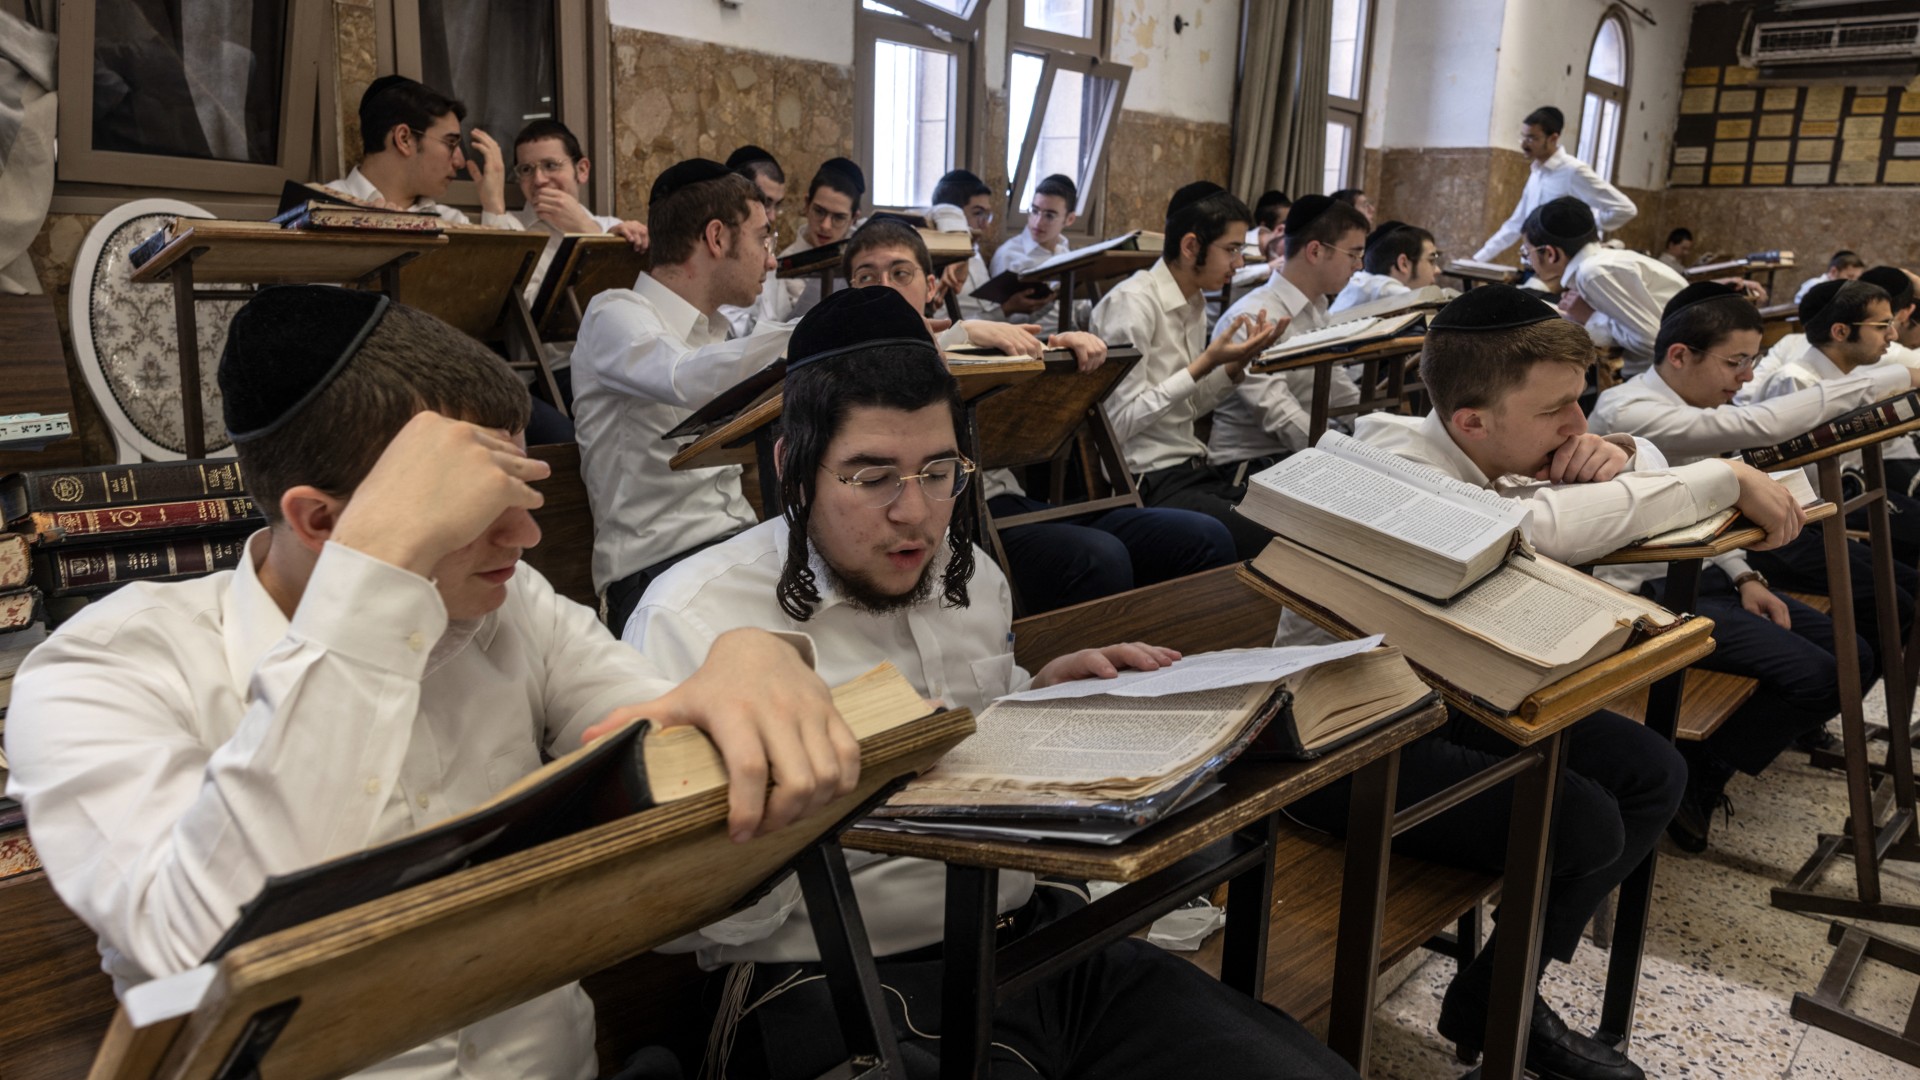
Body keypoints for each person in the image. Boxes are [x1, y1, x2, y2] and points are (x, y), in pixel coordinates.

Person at [3, 285, 852, 1080]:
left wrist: (741, 660)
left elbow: (660, 753)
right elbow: (215, 943)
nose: (526, 536)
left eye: (524, 489)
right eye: (477, 510)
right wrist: (374, 578)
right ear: (324, 522)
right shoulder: (103, 668)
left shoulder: (510, 605)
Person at [620, 284, 1360, 1080]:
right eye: (872, 478)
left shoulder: (966, 575)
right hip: (840, 979)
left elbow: (977, 719)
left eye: (939, 471)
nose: (917, 514)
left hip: (1044, 940)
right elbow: (670, 915)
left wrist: (1035, 693)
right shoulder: (693, 618)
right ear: (793, 468)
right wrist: (814, 805)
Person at [1283, 285, 1803, 1080]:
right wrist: (1725, 475)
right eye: (1559, 410)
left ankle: (1499, 993)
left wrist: (1626, 454)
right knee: (1581, 822)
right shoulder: (1390, 460)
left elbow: (1617, 490)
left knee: (1653, 772)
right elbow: (1536, 529)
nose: (1577, 426)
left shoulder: (1493, 450)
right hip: (1343, 733)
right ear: (1472, 423)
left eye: (1583, 403)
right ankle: (1505, 1005)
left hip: (1447, 695)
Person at [1588, 283, 1899, 848]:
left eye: (1752, 361)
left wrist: (1747, 576)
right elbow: (1755, 431)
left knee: (1855, 654)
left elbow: (1708, 515)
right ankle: (1701, 774)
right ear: (1680, 356)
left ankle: (1710, 763)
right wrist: (1896, 380)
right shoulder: (1630, 410)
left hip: (1706, 574)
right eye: (1736, 362)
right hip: (1649, 592)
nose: (1747, 378)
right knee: (1821, 674)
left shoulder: (1703, 404)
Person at [843, 216, 1235, 612]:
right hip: (956, 518)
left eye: (900, 273)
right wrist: (961, 331)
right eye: (866, 277)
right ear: (849, 292)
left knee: (1202, 536)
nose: (885, 289)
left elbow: (1034, 388)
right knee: (1099, 557)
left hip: (1007, 500)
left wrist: (1065, 350)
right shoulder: (850, 361)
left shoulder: (970, 347)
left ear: (930, 287)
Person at [572, 159, 788, 637]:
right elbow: (681, 376)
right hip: (654, 576)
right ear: (717, 238)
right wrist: (817, 331)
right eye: (763, 238)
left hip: (737, 551)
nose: (772, 260)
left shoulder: (721, 333)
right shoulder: (614, 313)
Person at [1089, 181, 1284, 558]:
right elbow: (1116, 426)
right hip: (1146, 480)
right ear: (1191, 245)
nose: (1239, 263)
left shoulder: (1194, 302)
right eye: (1231, 250)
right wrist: (1203, 365)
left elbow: (1189, 406)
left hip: (1193, 468)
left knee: (1294, 507)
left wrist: (1234, 366)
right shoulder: (1132, 304)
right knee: (1266, 536)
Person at [1745, 278, 1920, 570]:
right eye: (1881, 326)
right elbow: (1797, 476)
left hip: (1832, 502)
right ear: (1840, 331)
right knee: (1899, 588)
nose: (1892, 334)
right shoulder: (1795, 380)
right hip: (1793, 526)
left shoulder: (1848, 377)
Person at [1206, 195, 1370, 470]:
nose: (1359, 266)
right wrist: (1347, 456)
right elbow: (1279, 414)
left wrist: (1376, 432)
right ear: (1315, 251)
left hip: (1300, 455)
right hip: (1249, 468)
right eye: (1353, 255)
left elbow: (1336, 387)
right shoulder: (1253, 316)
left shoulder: (1315, 307)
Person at [502, 118, 649, 416]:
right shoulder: (513, 232)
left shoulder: (611, 229)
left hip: (627, 359)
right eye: (527, 170)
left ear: (581, 169)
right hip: (556, 371)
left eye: (551, 165)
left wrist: (586, 230)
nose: (540, 180)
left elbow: (647, 302)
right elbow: (530, 316)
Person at [1522, 196, 1685, 377]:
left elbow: (1654, 342)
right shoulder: (1602, 263)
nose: (1528, 260)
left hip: (1673, 373)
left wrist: (1590, 317)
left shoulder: (1593, 273)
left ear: (1551, 253)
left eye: (1527, 252)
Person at [328, 75, 518, 228]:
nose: (460, 162)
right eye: (450, 143)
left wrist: (494, 205)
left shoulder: (452, 223)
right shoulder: (322, 209)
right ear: (404, 139)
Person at [1472, 105, 1637, 263]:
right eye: (1523, 136)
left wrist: (1584, 229)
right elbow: (1517, 223)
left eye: (1532, 138)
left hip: (1562, 269)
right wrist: (1478, 259)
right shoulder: (1536, 173)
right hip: (1533, 263)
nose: (1524, 144)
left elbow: (1625, 208)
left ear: (1553, 138)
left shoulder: (1573, 171)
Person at [771, 157, 867, 322]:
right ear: (807, 204)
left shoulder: (865, 253)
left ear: (854, 218)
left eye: (838, 217)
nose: (826, 225)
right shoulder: (784, 268)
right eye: (819, 211)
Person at [987, 173, 1080, 325]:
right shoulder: (1009, 255)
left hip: (1071, 337)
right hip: (1029, 341)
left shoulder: (1065, 252)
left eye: (1049, 216)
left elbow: (1077, 310)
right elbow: (998, 319)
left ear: (1069, 219)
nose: (1037, 222)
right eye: (1035, 211)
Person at [720, 144, 790, 336]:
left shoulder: (769, 252)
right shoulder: (718, 251)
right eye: (766, 203)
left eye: (777, 205)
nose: (773, 216)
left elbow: (781, 317)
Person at [1331, 219, 1441, 312]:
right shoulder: (1383, 288)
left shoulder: (1366, 283)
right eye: (1431, 260)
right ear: (1403, 264)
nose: (1437, 270)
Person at [1793, 249, 1866, 304]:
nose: (1854, 281)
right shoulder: (1814, 285)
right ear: (1833, 272)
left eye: (1857, 278)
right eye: (1850, 276)